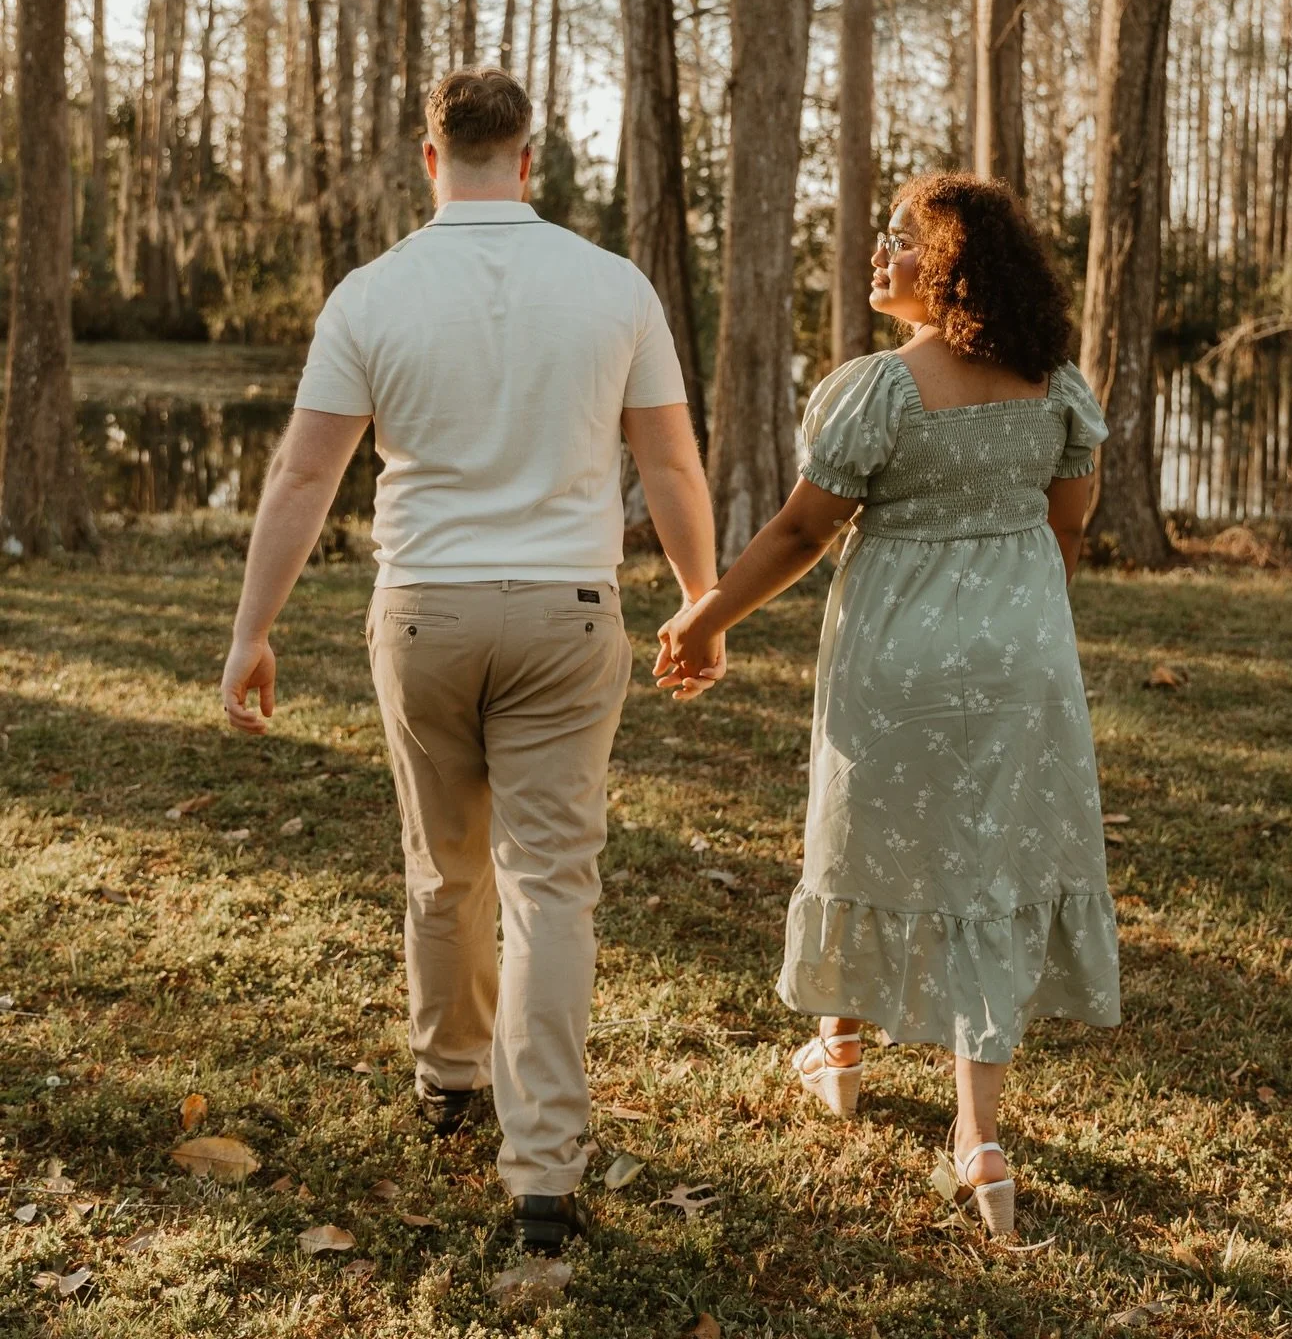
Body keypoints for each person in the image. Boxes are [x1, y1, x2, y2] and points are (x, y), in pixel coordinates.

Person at [221, 69, 720, 1254]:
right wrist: (702, 600)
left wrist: (251, 631)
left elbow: (304, 477)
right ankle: (542, 1175)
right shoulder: (613, 288)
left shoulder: (373, 293)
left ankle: (449, 1077)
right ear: (529, 160)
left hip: (425, 614)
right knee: (552, 886)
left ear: (429, 158)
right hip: (566, 612)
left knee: (444, 867)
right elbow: (673, 468)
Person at [659, 172, 1120, 1239]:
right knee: (990, 863)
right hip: (1022, 656)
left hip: (895, 647)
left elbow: (798, 535)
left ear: (952, 267)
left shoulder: (878, 389)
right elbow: (1067, 524)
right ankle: (980, 1138)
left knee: (863, 829)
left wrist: (707, 618)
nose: (880, 255)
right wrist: (1013, 618)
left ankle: (844, 1047)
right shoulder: (1057, 387)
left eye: (903, 241)